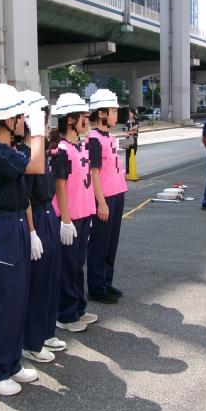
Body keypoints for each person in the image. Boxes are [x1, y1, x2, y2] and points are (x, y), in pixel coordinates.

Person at [0, 84, 45, 396]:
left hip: (16, 225)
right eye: (19, 116)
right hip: (2, 229)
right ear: (6, 120)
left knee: (18, 300)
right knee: (4, 304)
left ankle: (11, 363)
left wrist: (30, 231)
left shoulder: (10, 150)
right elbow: (36, 163)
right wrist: (39, 133)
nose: (23, 121)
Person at [20, 90, 65, 364]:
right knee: (36, 284)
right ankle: (32, 341)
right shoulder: (24, 153)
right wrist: (33, 230)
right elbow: (24, 195)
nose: (47, 128)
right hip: (35, 215)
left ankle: (46, 331)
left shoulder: (40, 151)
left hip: (49, 214)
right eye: (43, 122)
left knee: (51, 278)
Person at [51, 93, 99, 333]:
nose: (87, 120)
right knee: (68, 266)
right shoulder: (61, 150)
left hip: (84, 214)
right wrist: (65, 220)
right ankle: (66, 314)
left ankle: (79, 308)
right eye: (83, 117)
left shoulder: (80, 146)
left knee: (78, 264)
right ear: (70, 120)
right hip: (69, 217)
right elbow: (59, 186)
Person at [86, 89, 127, 304]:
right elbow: (93, 173)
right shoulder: (93, 139)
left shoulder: (109, 136)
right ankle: (95, 287)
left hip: (117, 192)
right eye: (112, 110)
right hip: (104, 197)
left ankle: (106, 282)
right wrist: (101, 202)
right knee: (100, 243)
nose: (115, 114)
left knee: (112, 242)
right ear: (101, 113)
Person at [124, 107, 139, 172]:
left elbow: (135, 131)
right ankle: (127, 170)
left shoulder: (135, 121)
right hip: (128, 139)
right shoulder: (126, 122)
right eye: (129, 113)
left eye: (130, 113)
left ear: (133, 113)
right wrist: (129, 132)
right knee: (127, 155)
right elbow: (125, 130)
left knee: (133, 155)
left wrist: (129, 132)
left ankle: (132, 169)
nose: (129, 114)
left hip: (134, 139)